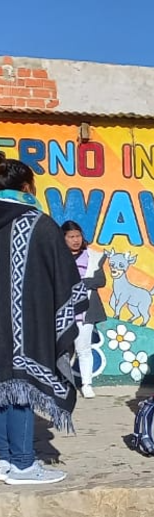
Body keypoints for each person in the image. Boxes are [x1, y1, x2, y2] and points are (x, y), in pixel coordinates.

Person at [0, 158, 85, 485]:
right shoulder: (38, 223)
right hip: (26, 323)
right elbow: (66, 278)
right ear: (26, 187)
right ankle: (23, 464)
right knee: (22, 384)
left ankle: (3, 458)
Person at [62, 221, 106, 399]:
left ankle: (87, 384)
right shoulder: (57, 255)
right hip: (62, 309)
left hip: (85, 310)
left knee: (83, 348)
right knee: (61, 349)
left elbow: (100, 281)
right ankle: (61, 383)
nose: (75, 240)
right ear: (63, 238)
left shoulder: (92, 256)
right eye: (71, 237)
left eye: (78, 236)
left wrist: (79, 283)